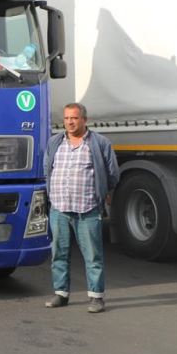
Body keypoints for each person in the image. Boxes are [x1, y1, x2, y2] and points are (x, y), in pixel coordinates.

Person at [44, 102, 120, 313]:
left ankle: (96, 297)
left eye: (74, 118)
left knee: (93, 256)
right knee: (59, 254)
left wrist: (102, 193)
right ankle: (61, 294)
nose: (70, 122)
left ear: (85, 120)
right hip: (58, 208)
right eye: (67, 118)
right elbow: (47, 169)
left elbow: (113, 174)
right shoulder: (55, 142)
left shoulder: (100, 143)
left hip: (87, 209)